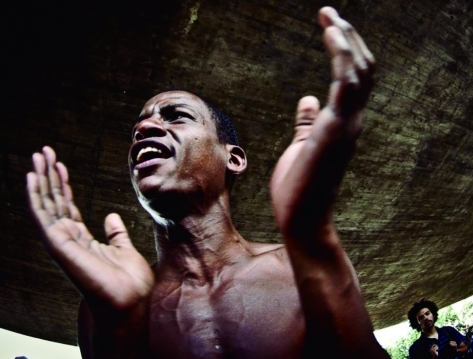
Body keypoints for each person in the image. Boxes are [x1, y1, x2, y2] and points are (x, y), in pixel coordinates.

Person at [26, 7, 390, 359]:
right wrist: (120, 333)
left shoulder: (297, 269)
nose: (143, 128)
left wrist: (312, 233)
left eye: (176, 116)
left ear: (233, 158)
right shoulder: (105, 307)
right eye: (139, 125)